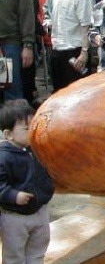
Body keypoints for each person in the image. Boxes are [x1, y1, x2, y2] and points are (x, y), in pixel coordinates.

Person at [0, 99, 55, 263]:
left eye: (34, 126)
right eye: (26, 128)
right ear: (8, 134)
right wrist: (13, 195)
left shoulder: (36, 149)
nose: (32, 131)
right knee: (14, 253)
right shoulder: (4, 157)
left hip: (40, 210)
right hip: (15, 217)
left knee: (38, 249)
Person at [43, 0, 94, 91]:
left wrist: (84, 52)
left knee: (78, 93)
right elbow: (47, 13)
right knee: (59, 92)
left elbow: (87, 25)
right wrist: (47, 23)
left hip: (76, 51)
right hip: (56, 49)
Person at [0, 0, 35, 101]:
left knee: (10, 89)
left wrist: (28, 45)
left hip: (10, 44)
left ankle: (16, 114)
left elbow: (26, 15)